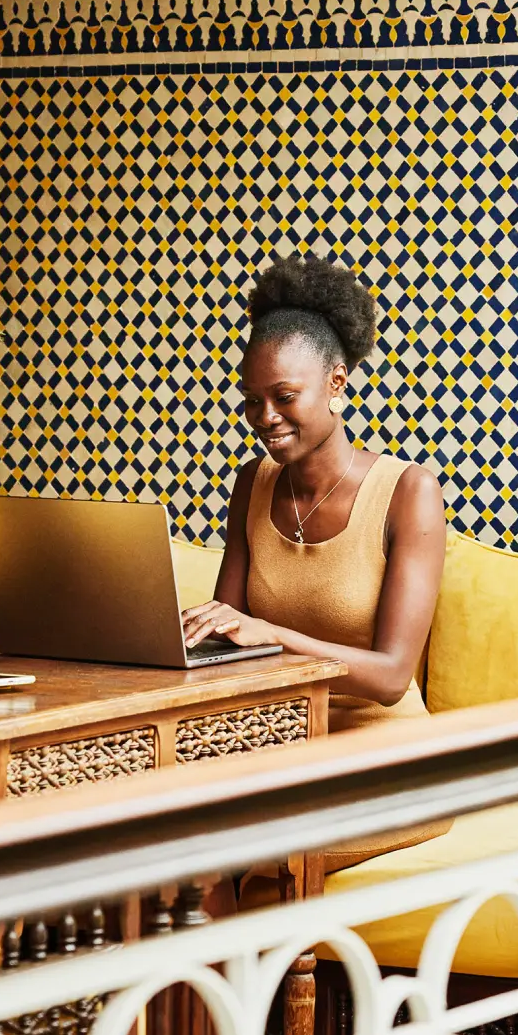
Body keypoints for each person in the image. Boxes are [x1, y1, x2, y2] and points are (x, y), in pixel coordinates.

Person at [181, 253, 450, 872]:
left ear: (337, 382)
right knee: (155, 835)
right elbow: (228, 636)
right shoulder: (252, 485)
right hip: (281, 745)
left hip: (386, 760)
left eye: (284, 396)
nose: (264, 419)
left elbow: (389, 677)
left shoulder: (408, 492)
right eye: (252, 400)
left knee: (212, 852)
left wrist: (271, 635)